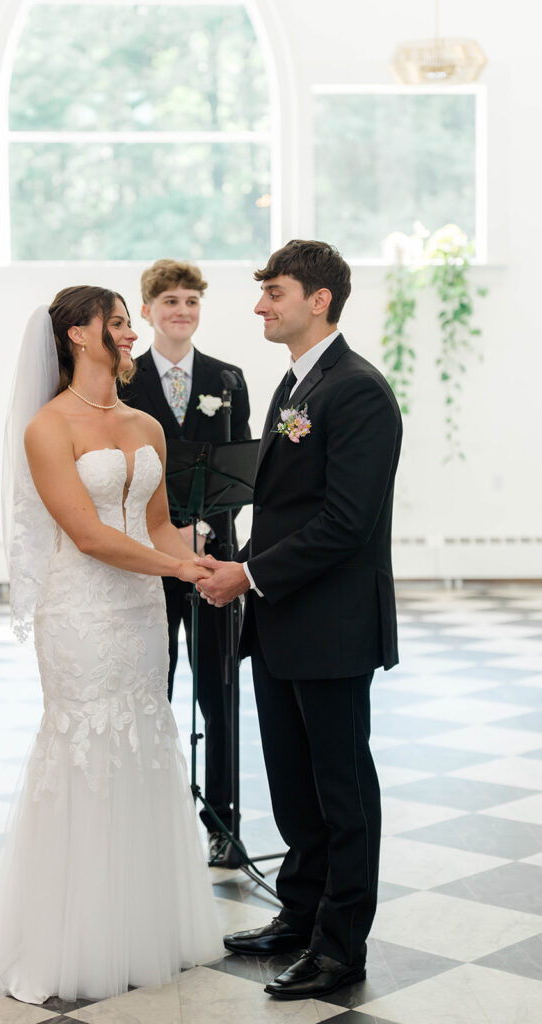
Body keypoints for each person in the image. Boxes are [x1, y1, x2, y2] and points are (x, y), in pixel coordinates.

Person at [0, 286, 223, 1019]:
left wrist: (206, 562)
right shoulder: (47, 427)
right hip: (80, 610)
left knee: (144, 739)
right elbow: (86, 536)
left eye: (127, 323)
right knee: (87, 746)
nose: (130, 333)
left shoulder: (146, 423)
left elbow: (157, 523)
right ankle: (73, 938)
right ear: (77, 335)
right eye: (116, 323)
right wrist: (179, 570)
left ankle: (143, 927)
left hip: (141, 611)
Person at [196, 240, 402, 1001]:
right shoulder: (296, 384)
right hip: (283, 618)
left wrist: (248, 574)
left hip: (333, 625)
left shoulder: (358, 391)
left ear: (319, 300)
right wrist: (237, 563)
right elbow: (288, 509)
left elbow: (346, 522)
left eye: (273, 293)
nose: (260, 306)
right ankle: (302, 913)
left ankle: (340, 947)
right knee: (292, 783)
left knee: (341, 791)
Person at [119, 260, 250, 863]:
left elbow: (243, 469)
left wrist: (205, 532)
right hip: (147, 560)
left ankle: (223, 821)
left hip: (214, 560)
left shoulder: (228, 379)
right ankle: (153, 820)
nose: (182, 311)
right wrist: (167, 534)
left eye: (191, 301)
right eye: (170, 301)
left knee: (219, 692)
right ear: (147, 311)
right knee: (154, 686)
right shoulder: (124, 380)